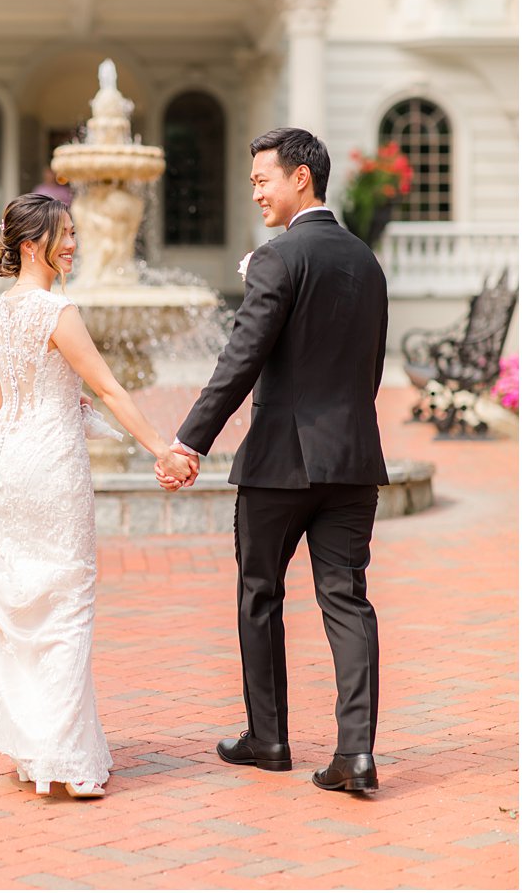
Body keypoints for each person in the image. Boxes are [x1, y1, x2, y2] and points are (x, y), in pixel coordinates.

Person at [159, 127, 387, 794]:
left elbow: (241, 359)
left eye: (263, 178)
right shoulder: (367, 261)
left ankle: (269, 739)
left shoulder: (279, 257)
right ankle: (357, 753)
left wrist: (188, 441)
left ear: (301, 180)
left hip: (280, 464)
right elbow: (367, 368)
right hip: (353, 459)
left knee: (259, 594)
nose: (255, 190)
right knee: (347, 601)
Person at [0, 194, 196, 799]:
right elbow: (113, 388)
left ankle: (34, 747)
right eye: (64, 236)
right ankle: (64, 759)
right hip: (51, 469)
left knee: (23, 606)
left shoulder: (0, 310)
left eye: (74, 233)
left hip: (5, 468)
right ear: (31, 246)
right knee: (68, 601)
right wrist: (161, 450)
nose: (74, 244)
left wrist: (54, 397)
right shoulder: (56, 310)